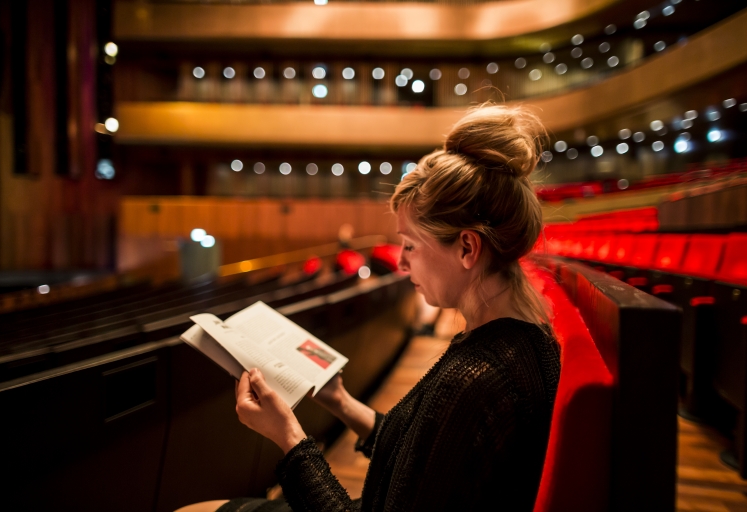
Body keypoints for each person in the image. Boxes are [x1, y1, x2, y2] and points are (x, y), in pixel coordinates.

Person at [183, 104, 561, 512]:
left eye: (411, 246)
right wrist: (340, 401)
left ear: (467, 248)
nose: (400, 262)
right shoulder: (518, 340)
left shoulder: (478, 379)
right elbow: (421, 462)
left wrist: (288, 436)